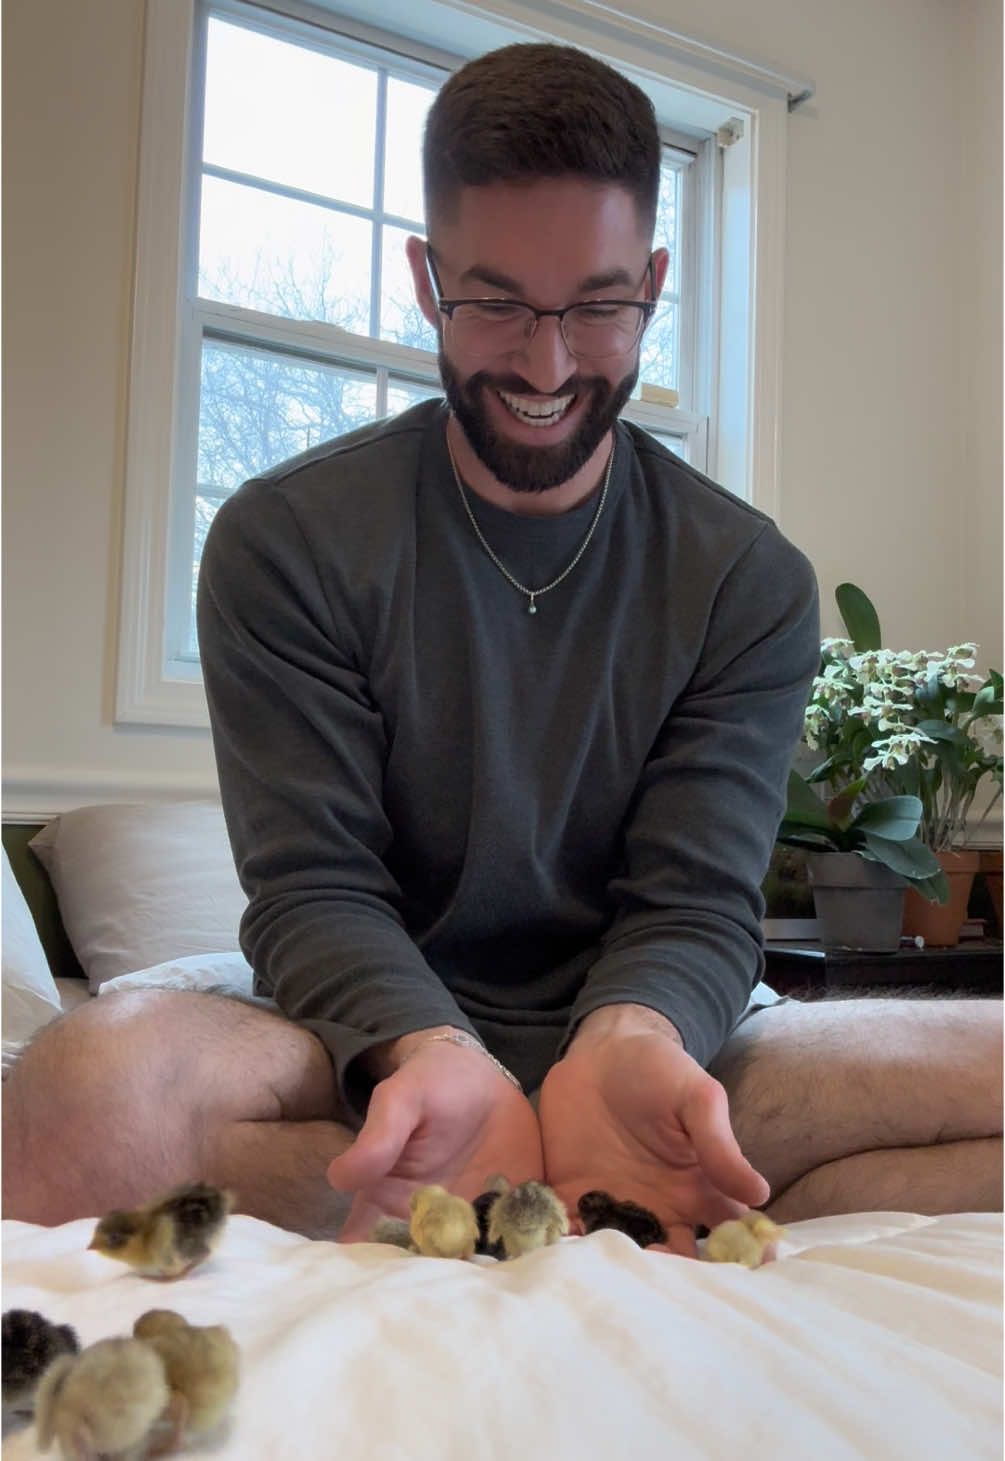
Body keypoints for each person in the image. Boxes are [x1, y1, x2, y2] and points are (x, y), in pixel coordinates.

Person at [4, 45, 1000, 1252]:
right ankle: (622, 1198)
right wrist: (431, 1052)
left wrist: (628, 1042)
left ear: (655, 283)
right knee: (79, 1090)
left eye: (598, 303)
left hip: (662, 1045)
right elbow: (317, 890)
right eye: (496, 303)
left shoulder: (750, 580)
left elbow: (692, 903)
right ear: (427, 281)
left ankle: (552, 1183)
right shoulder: (287, 539)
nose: (547, 362)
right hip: (361, 1047)